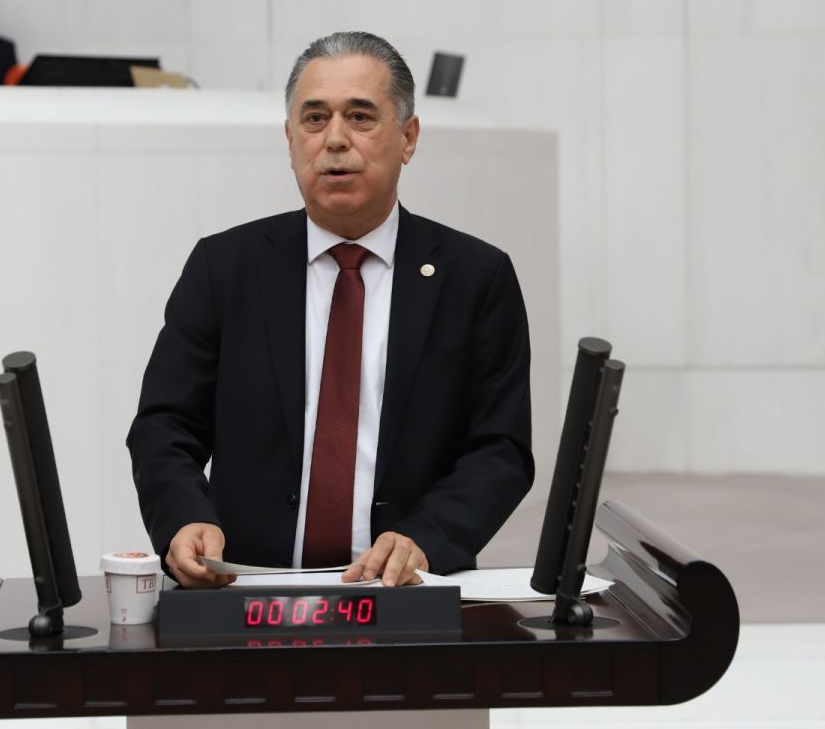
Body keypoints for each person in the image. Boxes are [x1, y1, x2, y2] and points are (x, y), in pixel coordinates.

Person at [127, 31, 534, 589]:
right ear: (290, 138)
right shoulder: (224, 268)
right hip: (246, 588)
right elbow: (165, 425)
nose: (336, 140)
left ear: (408, 137)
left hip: (405, 592)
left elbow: (501, 448)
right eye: (315, 119)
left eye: (360, 117)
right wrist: (183, 518)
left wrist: (427, 537)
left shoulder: (475, 277)